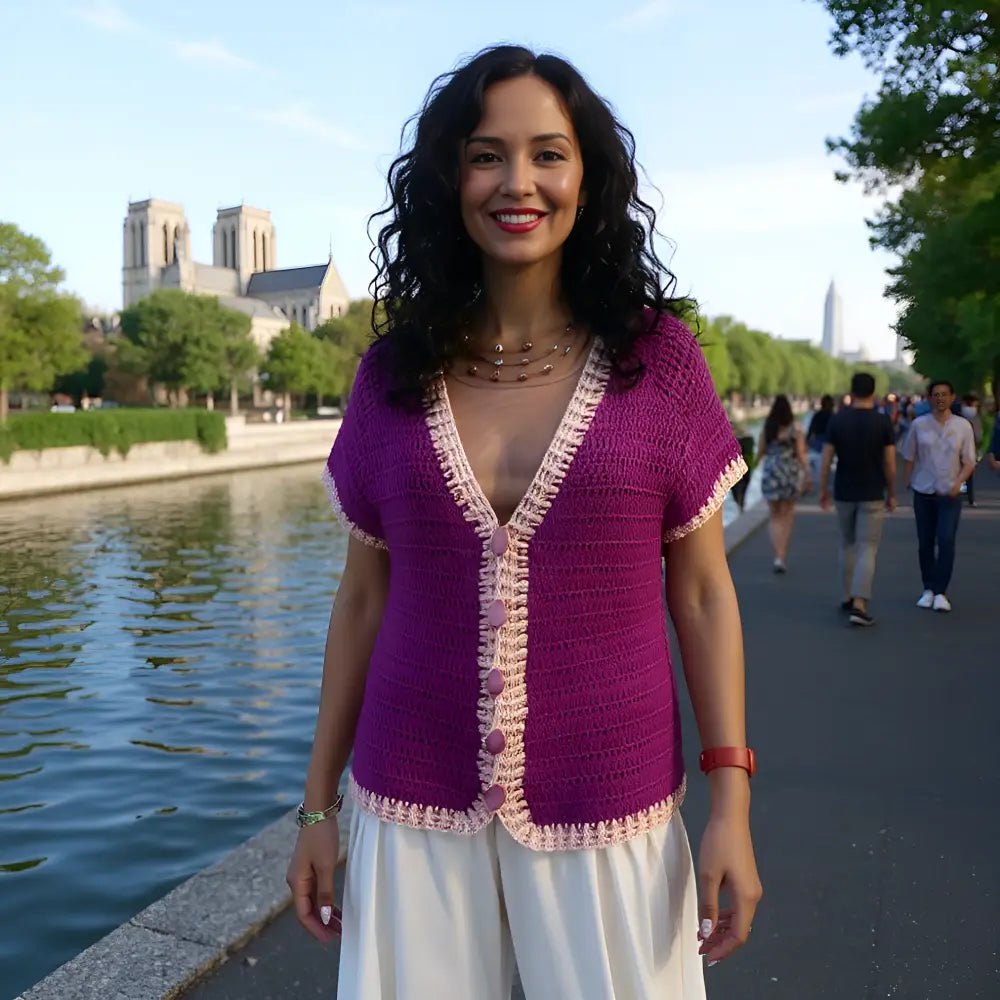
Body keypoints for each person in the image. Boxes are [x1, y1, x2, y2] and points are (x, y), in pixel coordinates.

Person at [285, 45, 761, 1000]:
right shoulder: (390, 374)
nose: (518, 182)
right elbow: (362, 598)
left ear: (587, 176)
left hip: (611, 796)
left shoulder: (658, 361)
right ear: (448, 178)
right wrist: (314, 808)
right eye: (485, 154)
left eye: (548, 153)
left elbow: (704, 593)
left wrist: (731, 806)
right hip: (406, 792)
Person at [818, 372, 896, 627]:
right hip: (873, 492)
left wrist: (823, 489)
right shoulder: (883, 422)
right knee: (867, 547)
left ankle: (847, 595)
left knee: (847, 544)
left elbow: (827, 458)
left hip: (844, 491)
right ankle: (860, 604)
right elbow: (890, 463)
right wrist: (892, 492)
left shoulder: (838, 421)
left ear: (851, 391)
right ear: (873, 393)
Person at [901, 379, 977, 613]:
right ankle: (928, 589)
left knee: (946, 540)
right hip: (923, 490)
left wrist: (959, 484)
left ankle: (941, 591)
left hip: (951, 491)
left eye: (945, 394)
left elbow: (970, 461)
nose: (940, 398)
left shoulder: (963, 426)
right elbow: (909, 455)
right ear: (929, 398)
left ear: (953, 398)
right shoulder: (919, 425)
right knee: (925, 542)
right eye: (936, 394)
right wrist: (906, 483)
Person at [759, 394, 809, 573]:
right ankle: (782, 556)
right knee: (787, 515)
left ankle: (776, 555)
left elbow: (761, 451)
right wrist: (808, 474)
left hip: (772, 472)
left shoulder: (768, 428)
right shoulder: (795, 429)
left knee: (774, 516)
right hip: (790, 473)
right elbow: (801, 454)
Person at [806, 394, 835, 486]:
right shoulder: (833, 416)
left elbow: (810, 431)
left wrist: (807, 442)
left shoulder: (817, 416)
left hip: (816, 444)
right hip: (829, 444)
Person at [960, 394, 983, 506]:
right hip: (965, 448)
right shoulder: (973, 416)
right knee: (965, 472)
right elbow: (978, 435)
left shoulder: (973, 417)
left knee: (964, 472)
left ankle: (967, 495)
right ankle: (967, 496)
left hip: (965, 448)